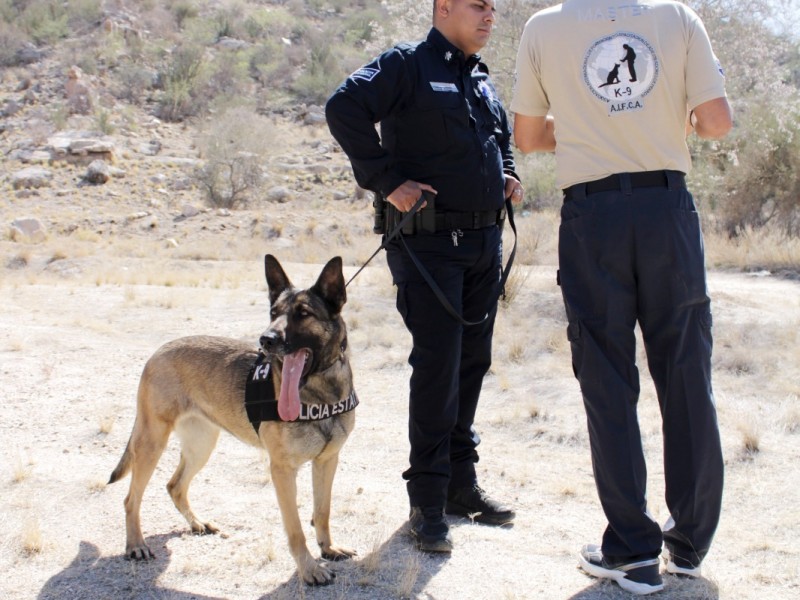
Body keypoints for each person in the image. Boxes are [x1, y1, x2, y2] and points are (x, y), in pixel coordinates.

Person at [511, 1, 731, 595]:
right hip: (668, 213)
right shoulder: (679, 19)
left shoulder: (542, 28)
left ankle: (633, 552)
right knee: (686, 372)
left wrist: (588, 124)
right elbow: (714, 122)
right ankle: (687, 546)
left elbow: (527, 137)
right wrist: (659, 122)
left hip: (593, 218)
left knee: (607, 378)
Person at [326, 0, 523, 553]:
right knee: (438, 366)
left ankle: (462, 485)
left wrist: (507, 172)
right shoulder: (406, 65)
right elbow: (343, 107)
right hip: (429, 247)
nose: (490, 16)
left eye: (493, 7)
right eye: (478, 6)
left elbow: (498, 135)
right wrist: (387, 180)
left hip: (484, 243)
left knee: (472, 363)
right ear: (443, 8)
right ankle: (428, 502)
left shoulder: (479, 76)